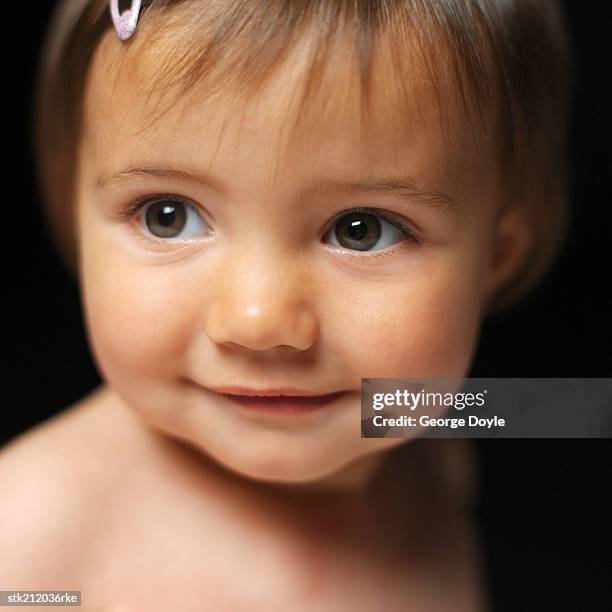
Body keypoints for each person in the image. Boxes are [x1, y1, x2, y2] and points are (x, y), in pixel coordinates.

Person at [0, 1, 572, 609]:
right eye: (168, 216)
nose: (258, 321)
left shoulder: (440, 449)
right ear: (74, 216)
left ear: (496, 257)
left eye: (362, 229)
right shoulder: (32, 534)